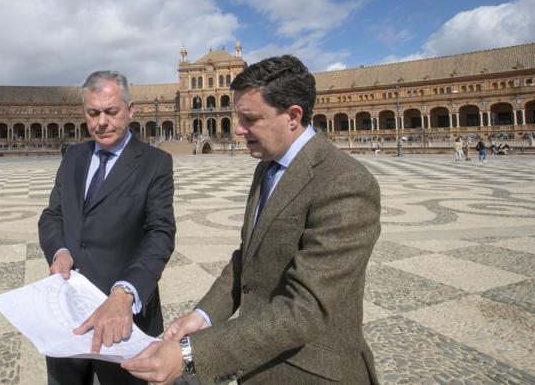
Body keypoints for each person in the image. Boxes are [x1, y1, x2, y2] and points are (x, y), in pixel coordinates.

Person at [122, 55, 381, 384]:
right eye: (237, 117)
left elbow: (306, 309)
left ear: (292, 116)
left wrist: (190, 354)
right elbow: (249, 259)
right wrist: (204, 316)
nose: (240, 129)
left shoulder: (345, 183)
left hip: (312, 373)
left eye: (251, 119)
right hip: (257, 364)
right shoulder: (268, 167)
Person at [38, 70, 176, 385]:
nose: (102, 121)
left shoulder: (155, 163)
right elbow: (52, 214)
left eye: (111, 112)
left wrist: (126, 291)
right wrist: (59, 251)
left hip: (123, 318)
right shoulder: (74, 156)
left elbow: (160, 233)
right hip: (69, 312)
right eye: (93, 113)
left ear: (131, 110)